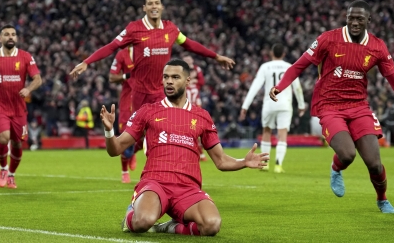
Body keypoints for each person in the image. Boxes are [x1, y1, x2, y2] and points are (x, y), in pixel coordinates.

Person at [269, 0, 394, 213]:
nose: (354, 22)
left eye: (359, 19)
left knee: (374, 163)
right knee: (347, 155)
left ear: (368, 21)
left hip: (359, 106)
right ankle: (336, 168)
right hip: (329, 105)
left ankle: (382, 199)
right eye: (351, 18)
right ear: (346, 18)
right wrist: (280, 87)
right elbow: (300, 64)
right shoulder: (328, 39)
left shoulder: (377, 47)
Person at [100, 59, 269, 236]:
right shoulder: (148, 111)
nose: (169, 81)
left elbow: (221, 160)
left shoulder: (202, 116)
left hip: (188, 188)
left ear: (187, 81)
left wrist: (244, 161)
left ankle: (170, 227)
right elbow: (115, 149)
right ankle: (130, 215)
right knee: (143, 221)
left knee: (211, 224)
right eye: (165, 77)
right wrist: (109, 131)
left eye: (175, 77)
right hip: (156, 182)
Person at [69, 0, 234, 115]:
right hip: (140, 92)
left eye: (157, 3)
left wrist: (216, 57)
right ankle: (130, 151)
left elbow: (190, 44)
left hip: (161, 91)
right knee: (136, 137)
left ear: (161, 7)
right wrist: (87, 62)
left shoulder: (171, 28)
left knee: (160, 132)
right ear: (145, 8)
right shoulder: (134, 29)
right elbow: (112, 46)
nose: (154, 6)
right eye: (150, 3)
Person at [0, 24, 42, 189]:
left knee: (17, 143)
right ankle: (2, 169)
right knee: (3, 137)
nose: (10, 37)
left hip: (19, 109)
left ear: (17, 38)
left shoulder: (26, 56)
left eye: (13, 34)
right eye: (6, 34)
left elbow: (38, 79)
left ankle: (12, 175)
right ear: (0, 38)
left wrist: (28, 89)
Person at [239, 44, 305, 173]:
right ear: (284, 54)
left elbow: (255, 87)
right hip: (285, 104)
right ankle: (278, 165)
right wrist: (301, 105)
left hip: (269, 104)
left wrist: (245, 106)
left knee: (267, 132)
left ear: (271, 53)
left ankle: (265, 164)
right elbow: (297, 87)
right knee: (282, 133)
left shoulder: (265, 67)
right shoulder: (289, 66)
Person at [109, 47, 137, 183]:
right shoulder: (122, 54)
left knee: (148, 134)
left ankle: (133, 153)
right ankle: (124, 171)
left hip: (144, 98)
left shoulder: (148, 50)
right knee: (124, 136)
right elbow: (112, 77)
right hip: (127, 101)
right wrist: (126, 75)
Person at [183, 54, 207, 161]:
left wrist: (192, 81)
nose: (188, 61)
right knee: (190, 128)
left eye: (189, 59)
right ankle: (198, 153)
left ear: (192, 59)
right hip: (185, 104)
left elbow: (202, 82)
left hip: (196, 104)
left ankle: (199, 152)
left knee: (198, 127)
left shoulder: (197, 69)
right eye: (186, 60)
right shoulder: (181, 69)